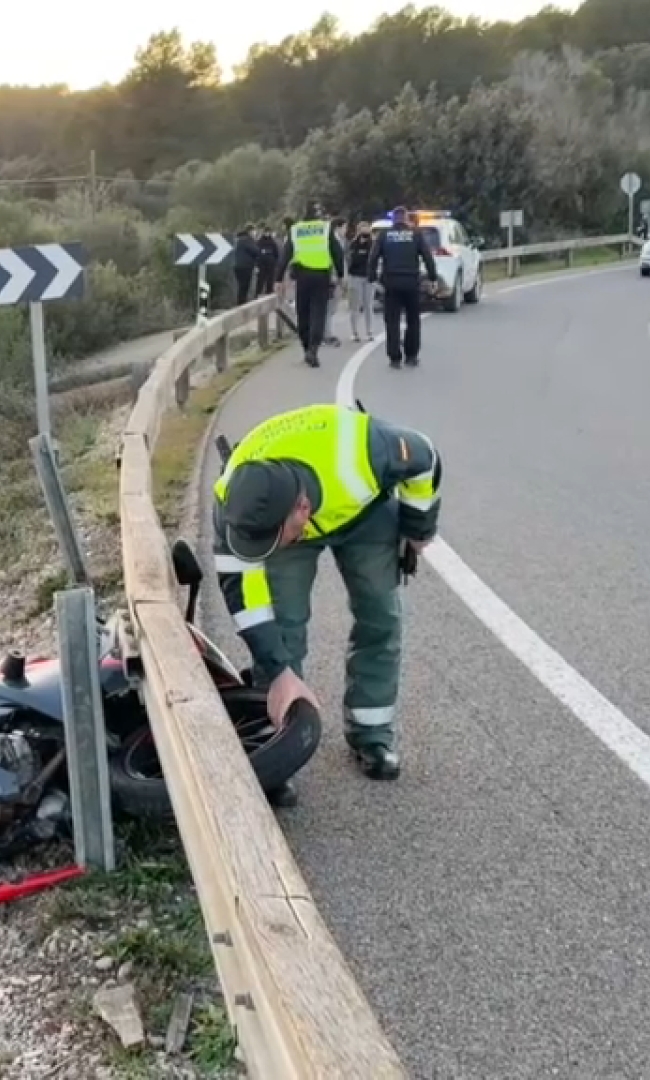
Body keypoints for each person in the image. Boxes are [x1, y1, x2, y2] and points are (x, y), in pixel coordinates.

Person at [211, 401, 443, 780]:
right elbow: (247, 604)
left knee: (380, 615)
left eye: (270, 542)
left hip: (362, 512)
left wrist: (418, 528)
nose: (261, 554)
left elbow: (426, 457)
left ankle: (372, 735)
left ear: (303, 509)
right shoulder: (235, 508)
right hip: (291, 521)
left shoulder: (367, 453)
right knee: (281, 625)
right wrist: (278, 668)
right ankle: (278, 745)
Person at [367, 205, 439, 369]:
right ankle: (411, 356)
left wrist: (372, 278)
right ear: (406, 218)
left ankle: (394, 358)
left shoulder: (384, 236)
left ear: (393, 220)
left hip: (391, 283)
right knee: (413, 321)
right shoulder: (416, 235)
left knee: (392, 321)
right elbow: (427, 257)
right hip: (412, 283)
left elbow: (373, 258)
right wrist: (432, 277)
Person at [286, 202, 345, 368]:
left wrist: (277, 279)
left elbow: (286, 253)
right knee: (318, 314)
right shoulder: (325, 228)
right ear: (319, 214)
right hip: (321, 277)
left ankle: (306, 348)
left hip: (302, 277)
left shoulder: (296, 229)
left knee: (303, 314)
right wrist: (340, 275)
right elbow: (337, 253)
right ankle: (313, 349)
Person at [345, 219, 377, 343]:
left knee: (368, 305)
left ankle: (370, 332)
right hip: (355, 277)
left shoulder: (373, 244)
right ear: (358, 232)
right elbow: (350, 260)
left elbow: (374, 259)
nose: (365, 235)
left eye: (367, 231)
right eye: (362, 232)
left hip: (369, 278)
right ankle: (354, 332)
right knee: (355, 306)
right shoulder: (353, 244)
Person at [321, 217, 347, 347]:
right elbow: (336, 259)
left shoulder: (338, 240)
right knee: (329, 307)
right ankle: (327, 334)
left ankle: (326, 333)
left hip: (331, 276)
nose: (345, 231)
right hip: (332, 277)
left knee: (330, 308)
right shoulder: (333, 240)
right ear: (337, 227)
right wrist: (339, 277)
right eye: (344, 228)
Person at [232, 224, 260, 307]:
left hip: (237, 266)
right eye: (254, 231)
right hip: (245, 267)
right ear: (250, 231)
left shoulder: (239, 239)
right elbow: (256, 251)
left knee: (241, 286)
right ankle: (241, 305)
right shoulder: (248, 240)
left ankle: (241, 304)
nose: (255, 233)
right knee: (244, 286)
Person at [254, 222, 281, 298]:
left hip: (271, 264)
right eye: (266, 232)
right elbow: (257, 253)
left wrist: (275, 262)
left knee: (270, 280)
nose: (267, 233)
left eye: (268, 232)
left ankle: (269, 294)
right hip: (262, 264)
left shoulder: (272, 242)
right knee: (260, 280)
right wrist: (257, 264)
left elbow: (276, 253)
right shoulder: (260, 241)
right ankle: (257, 294)